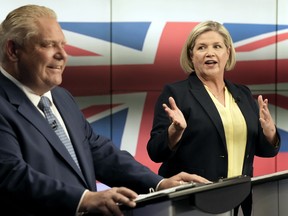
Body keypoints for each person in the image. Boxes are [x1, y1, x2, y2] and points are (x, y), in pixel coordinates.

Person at [0, 5, 211, 216]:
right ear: (13, 50)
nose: (62, 55)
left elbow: (98, 152)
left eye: (63, 45)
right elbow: (10, 175)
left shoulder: (62, 97)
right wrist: (83, 199)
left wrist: (160, 184)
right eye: (48, 45)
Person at [146, 21, 280, 215]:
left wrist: (270, 134)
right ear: (191, 56)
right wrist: (174, 131)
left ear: (227, 53)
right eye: (201, 47)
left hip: (238, 202)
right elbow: (155, 152)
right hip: (193, 204)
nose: (210, 53)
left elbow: (264, 150)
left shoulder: (242, 94)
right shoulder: (177, 93)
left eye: (216, 46)